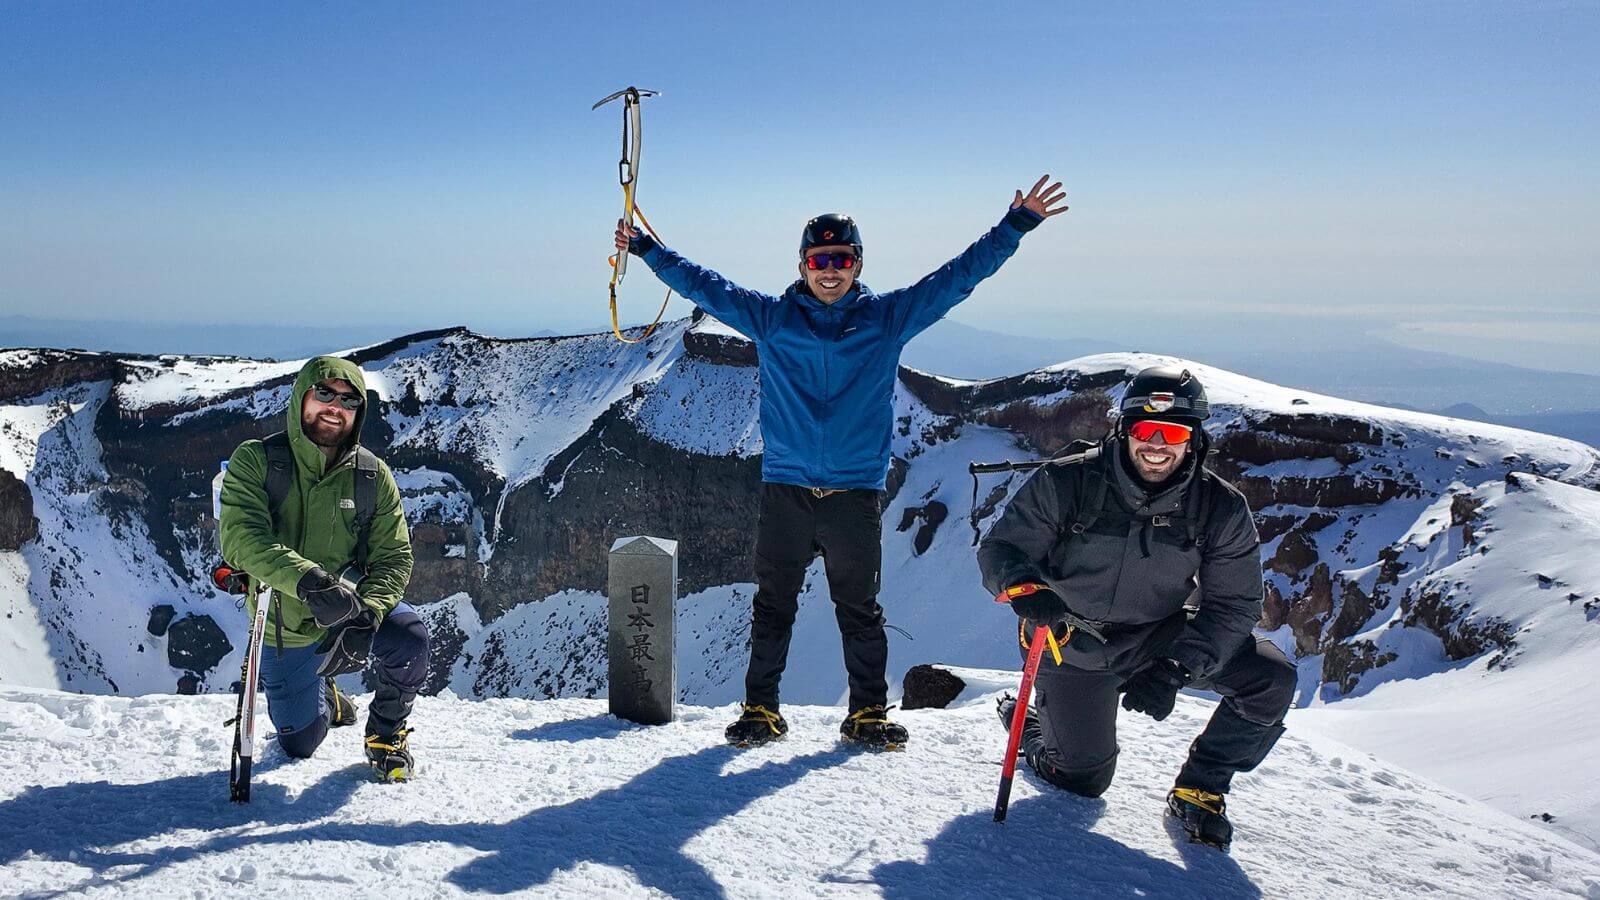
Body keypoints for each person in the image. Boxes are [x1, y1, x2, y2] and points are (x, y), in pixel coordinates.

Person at [616, 176, 1069, 749]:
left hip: (854, 494)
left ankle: (868, 713)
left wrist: (1015, 226)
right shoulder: (772, 319)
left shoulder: (887, 319)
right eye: (819, 259)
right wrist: (648, 250)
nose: (830, 270)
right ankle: (760, 709)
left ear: (857, 263)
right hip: (787, 489)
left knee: (859, 609)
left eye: (841, 259)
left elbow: (955, 280)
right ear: (803, 265)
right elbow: (708, 288)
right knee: (772, 606)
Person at [978, 366, 1295, 849]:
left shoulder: (1219, 506)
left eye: (1174, 433)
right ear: (1125, 430)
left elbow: (1235, 603)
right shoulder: (1067, 481)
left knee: (1270, 679)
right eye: (1146, 430)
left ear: (1194, 440)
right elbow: (1002, 548)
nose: (1157, 445)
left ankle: (1200, 789)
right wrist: (1025, 589)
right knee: (1083, 780)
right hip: (1069, 642)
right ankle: (1035, 735)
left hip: (1157, 637)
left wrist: (1176, 667)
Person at [219, 356, 427, 782]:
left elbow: (394, 556)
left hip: (350, 612)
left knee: (410, 639)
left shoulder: (372, 476)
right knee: (301, 744)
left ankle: (386, 735)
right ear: (302, 397)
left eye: (349, 401)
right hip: (287, 628)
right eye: (325, 394)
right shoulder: (256, 460)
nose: (335, 407)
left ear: (358, 412)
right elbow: (241, 539)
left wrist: (369, 612)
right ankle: (327, 699)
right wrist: (309, 582)